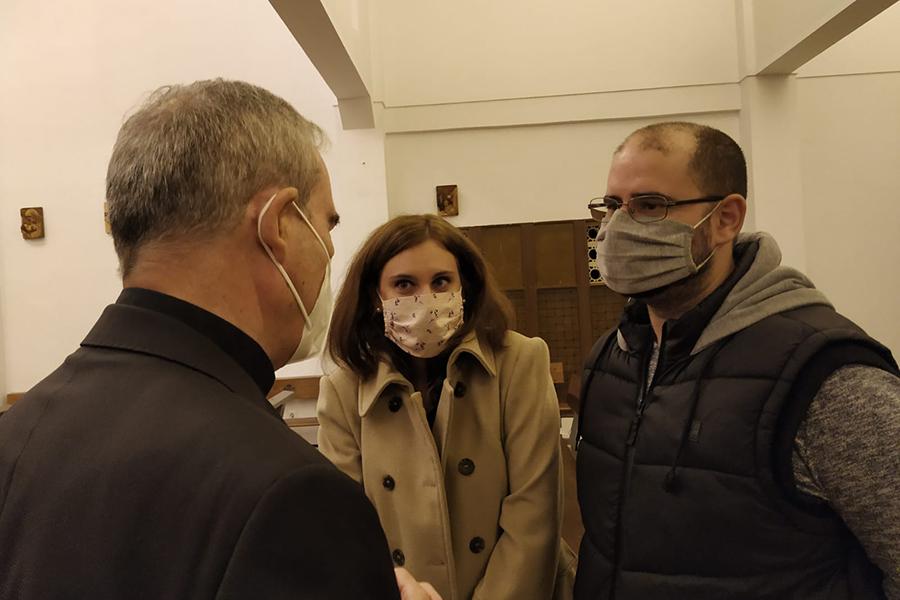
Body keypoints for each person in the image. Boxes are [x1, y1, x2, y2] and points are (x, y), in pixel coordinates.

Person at [0, 79, 440, 600]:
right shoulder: (293, 496)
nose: (327, 251)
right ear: (278, 224)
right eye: (326, 225)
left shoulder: (17, 435)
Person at [574, 121, 900, 599]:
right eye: (611, 207)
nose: (617, 228)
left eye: (649, 206)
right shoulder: (613, 355)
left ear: (726, 218)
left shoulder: (828, 378)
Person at [317, 214, 577, 600]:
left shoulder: (519, 361)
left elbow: (533, 516)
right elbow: (345, 529)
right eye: (404, 284)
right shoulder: (343, 388)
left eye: (441, 281)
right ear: (376, 294)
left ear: (464, 286)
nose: (426, 297)